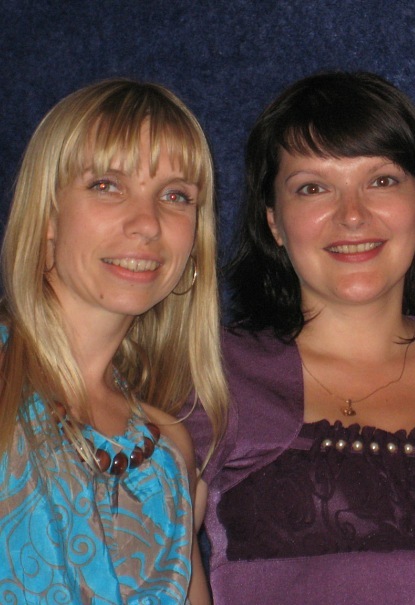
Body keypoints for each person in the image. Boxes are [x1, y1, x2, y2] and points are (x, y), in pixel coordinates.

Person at [184, 71, 415, 605]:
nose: (352, 215)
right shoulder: (215, 369)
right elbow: (147, 565)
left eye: (382, 181)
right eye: (313, 188)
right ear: (274, 221)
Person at [0, 79, 229, 604]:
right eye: (107, 185)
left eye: (175, 196)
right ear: (48, 215)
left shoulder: (168, 453)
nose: (147, 223)